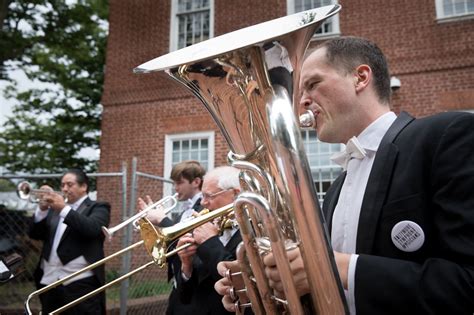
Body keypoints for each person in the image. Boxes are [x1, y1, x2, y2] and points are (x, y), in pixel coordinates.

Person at [216, 36, 474, 314]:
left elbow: (467, 282)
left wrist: (332, 268)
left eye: (313, 84)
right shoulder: (337, 190)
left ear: (360, 78)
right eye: (300, 92)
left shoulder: (445, 136)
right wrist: (268, 284)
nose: (301, 101)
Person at [29, 168, 110, 314]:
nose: (65, 188)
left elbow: (92, 229)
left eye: (70, 184)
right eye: (62, 185)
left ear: (83, 186)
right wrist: (42, 209)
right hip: (49, 281)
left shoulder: (98, 207)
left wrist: (63, 209)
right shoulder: (53, 209)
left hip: (81, 283)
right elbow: (35, 234)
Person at [137, 160, 205, 315]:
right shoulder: (183, 212)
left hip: (195, 289)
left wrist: (162, 220)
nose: (176, 188)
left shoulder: (205, 207)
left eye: (180, 182)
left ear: (196, 182)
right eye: (174, 183)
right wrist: (153, 226)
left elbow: (189, 242)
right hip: (178, 285)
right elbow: (174, 244)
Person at [176, 166, 242, 315]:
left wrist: (210, 242)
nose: (203, 203)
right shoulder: (212, 224)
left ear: (235, 194)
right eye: (202, 196)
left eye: (209, 196)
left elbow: (239, 285)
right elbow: (185, 297)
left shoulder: (255, 230)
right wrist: (186, 266)